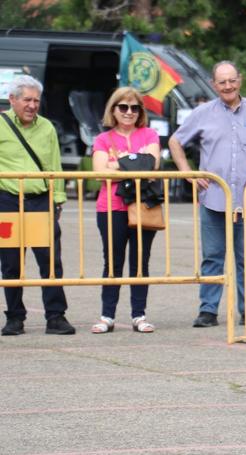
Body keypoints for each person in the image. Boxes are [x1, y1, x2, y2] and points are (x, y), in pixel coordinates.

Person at [169, 61, 246, 328]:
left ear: (240, 80)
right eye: (222, 82)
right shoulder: (202, 113)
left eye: (232, 80)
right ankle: (208, 311)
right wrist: (188, 172)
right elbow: (176, 141)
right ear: (214, 85)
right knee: (212, 256)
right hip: (213, 199)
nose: (228, 86)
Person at [0, 75, 75, 336]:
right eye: (27, 100)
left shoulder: (47, 128)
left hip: (40, 201)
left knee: (50, 261)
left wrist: (58, 201)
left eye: (36, 100)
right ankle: (14, 317)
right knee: (11, 263)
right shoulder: (1, 125)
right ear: (12, 100)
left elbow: (55, 165)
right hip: (8, 201)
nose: (32, 106)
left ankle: (56, 316)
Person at [90, 87, 160, 334]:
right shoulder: (102, 138)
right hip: (111, 206)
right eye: (123, 107)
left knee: (141, 261)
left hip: (143, 205)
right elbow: (99, 171)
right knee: (112, 261)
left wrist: (116, 163)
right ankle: (107, 315)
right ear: (114, 109)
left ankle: (139, 315)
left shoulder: (150, 134)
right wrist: (133, 160)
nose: (129, 112)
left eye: (135, 107)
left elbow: (150, 165)